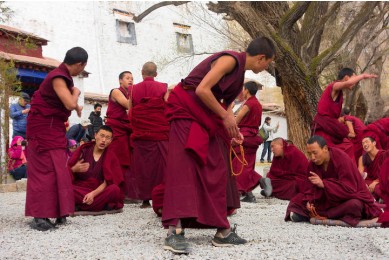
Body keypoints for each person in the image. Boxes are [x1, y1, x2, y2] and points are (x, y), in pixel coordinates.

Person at [162, 37, 276, 253]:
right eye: (268, 63)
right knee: (184, 168)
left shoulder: (239, 71)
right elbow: (202, 90)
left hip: (205, 117)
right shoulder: (230, 60)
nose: (266, 67)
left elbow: (220, 102)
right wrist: (226, 117)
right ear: (261, 58)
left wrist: (230, 130)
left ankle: (221, 230)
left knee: (218, 165)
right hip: (186, 112)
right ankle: (173, 231)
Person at [25, 47, 88, 231]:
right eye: (82, 68)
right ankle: (39, 216)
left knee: (59, 169)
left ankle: (59, 211)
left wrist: (74, 101)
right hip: (42, 129)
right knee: (45, 171)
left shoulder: (62, 77)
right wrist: (76, 92)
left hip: (54, 128)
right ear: (79, 64)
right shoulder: (58, 77)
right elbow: (69, 103)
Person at [285, 136, 382, 227]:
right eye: (309, 154)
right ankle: (320, 213)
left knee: (355, 205)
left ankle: (314, 215)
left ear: (325, 149)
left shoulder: (341, 158)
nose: (312, 157)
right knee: (296, 200)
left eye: (315, 153)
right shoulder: (313, 164)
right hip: (325, 199)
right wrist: (309, 201)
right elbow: (309, 187)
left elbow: (349, 188)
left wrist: (324, 184)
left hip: (345, 198)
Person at [312, 68, 377, 163]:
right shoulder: (334, 86)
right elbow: (347, 84)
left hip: (330, 127)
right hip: (323, 128)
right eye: (354, 78)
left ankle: (349, 173)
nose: (354, 83)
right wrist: (362, 76)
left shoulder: (340, 93)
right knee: (326, 152)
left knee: (347, 146)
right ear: (346, 78)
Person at [129, 62, 169, 208]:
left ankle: (145, 199)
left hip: (141, 133)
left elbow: (130, 111)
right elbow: (167, 107)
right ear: (156, 74)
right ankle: (163, 196)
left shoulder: (133, 89)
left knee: (143, 166)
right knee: (162, 165)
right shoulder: (163, 87)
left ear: (142, 72)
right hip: (160, 132)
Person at [68, 125, 124, 212]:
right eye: (101, 136)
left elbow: (108, 181)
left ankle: (81, 205)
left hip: (98, 190)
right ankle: (98, 205)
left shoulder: (111, 156)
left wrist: (93, 194)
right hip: (80, 188)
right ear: (95, 135)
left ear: (111, 140)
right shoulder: (83, 150)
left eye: (107, 138)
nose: (104, 140)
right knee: (66, 189)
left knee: (114, 190)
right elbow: (66, 171)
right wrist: (73, 169)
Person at [232, 81, 271, 202]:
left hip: (245, 136)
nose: (242, 92)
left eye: (243, 89)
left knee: (238, 164)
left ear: (247, 90)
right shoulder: (258, 104)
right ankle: (249, 193)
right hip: (254, 136)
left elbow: (237, 119)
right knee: (247, 165)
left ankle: (255, 183)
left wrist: (230, 124)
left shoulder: (248, 103)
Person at [105, 71, 136, 199]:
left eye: (132, 79)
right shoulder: (116, 92)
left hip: (125, 128)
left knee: (128, 159)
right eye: (127, 78)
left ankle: (126, 191)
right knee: (118, 159)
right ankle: (116, 189)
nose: (130, 80)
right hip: (116, 129)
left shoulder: (130, 93)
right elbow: (127, 104)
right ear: (120, 81)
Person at [357, 137, 388, 201]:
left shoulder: (384, 154)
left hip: (382, 180)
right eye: (363, 143)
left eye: (366, 142)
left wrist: (376, 182)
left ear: (374, 143)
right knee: (363, 187)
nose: (364, 144)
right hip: (370, 180)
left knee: (379, 187)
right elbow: (359, 174)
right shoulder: (362, 158)